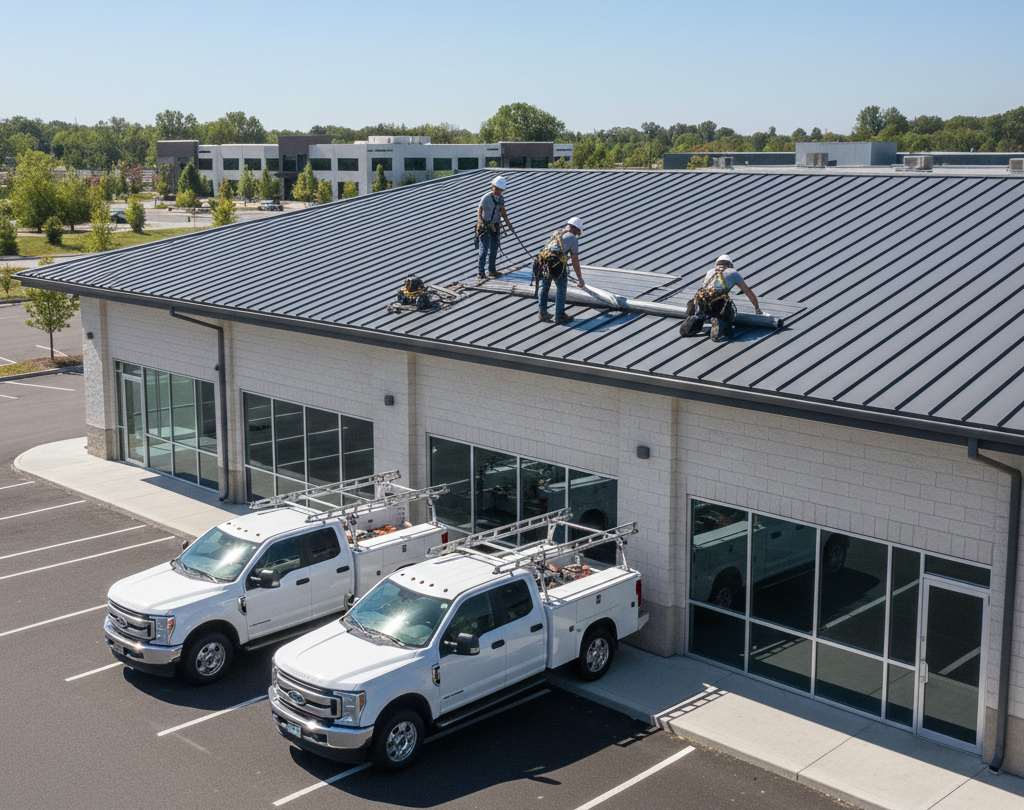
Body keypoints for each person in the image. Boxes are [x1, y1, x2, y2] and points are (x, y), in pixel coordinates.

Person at [680, 254, 761, 342]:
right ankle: (719, 325)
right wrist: (757, 308)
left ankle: (695, 320)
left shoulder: (710, 272)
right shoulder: (732, 273)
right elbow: (747, 291)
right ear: (730, 264)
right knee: (725, 321)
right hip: (718, 304)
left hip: (701, 303)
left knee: (700, 310)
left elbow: (705, 291)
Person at [537, 217, 585, 324]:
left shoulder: (557, 233)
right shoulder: (572, 238)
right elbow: (575, 259)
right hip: (557, 265)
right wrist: (580, 279)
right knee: (561, 287)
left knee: (545, 287)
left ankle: (542, 312)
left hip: (545, 262)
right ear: (576, 230)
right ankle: (559, 315)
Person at [476, 176, 515, 282]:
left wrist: (509, 224)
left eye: (499, 190)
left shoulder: (501, 198)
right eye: (496, 189)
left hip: (495, 226)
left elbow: (503, 212)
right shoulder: (486, 197)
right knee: (484, 250)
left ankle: (492, 271)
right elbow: (480, 209)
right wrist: (480, 220)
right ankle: (480, 273)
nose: (497, 191)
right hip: (485, 226)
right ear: (493, 186)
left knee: (494, 249)